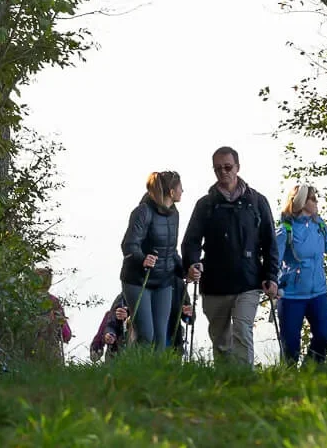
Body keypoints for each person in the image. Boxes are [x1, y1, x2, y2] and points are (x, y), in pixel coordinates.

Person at [180, 146, 281, 365]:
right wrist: (192, 263)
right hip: (215, 283)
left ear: (238, 167)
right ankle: (226, 385)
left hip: (248, 280)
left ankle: (245, 384)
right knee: (221, 340)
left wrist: (271, 276)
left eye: (228, 167)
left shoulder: (257, 202)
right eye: (218, 169)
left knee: (243, 330)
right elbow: (191, 241)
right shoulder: (205, 205)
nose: (223, 172)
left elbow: (270, 242)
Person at [274, 183, 327, 366]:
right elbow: (273, 261)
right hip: (291, 296)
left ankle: (309, 373)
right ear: (301, 202)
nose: (316, 202)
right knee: (291, 348)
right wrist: (271, 283)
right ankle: (288, 383)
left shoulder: (319, 226)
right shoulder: (285, 230)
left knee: (323, 337)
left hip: (318, 294)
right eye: (313, 198)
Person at [118, 170, 185, 349]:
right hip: (138, 279)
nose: (182, 191)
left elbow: (171, 250)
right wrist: (142, 259)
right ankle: (138, 371)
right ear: (171, 192)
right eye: (180, 188)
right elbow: (128, 245)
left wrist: (184, 269)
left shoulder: (174, 214)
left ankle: (158, 373)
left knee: (162, 336)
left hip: (163, 281)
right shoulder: (142, 212)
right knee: (147, 334)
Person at [34, 267, 71, 360]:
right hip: (51, 351)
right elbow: (66, 334)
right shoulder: (54, 301)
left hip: (26, 349)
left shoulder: (24, 299)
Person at [89, 294, 132, 360]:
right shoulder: (124, 296)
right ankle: (97, 346)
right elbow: (111, 317)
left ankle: (97, 345)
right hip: (117, 347)